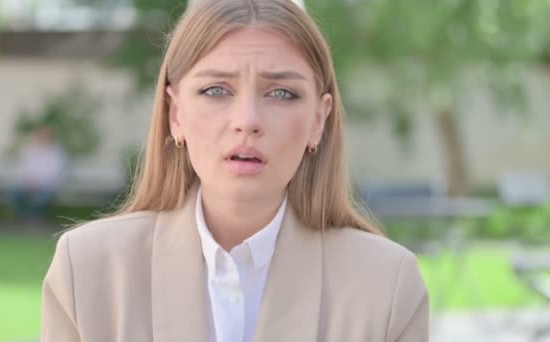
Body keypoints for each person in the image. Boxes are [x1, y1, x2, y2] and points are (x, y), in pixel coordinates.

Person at [41, 0, 429, 341]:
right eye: (216, 90)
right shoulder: (89, 270)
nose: (247, 121)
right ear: (175, 113)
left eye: (281, 93)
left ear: (318, 120)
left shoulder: (387, 285)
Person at [12, 125, 67, 223]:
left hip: (48, 186)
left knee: (42, 199)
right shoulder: (31, 151)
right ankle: (25, 218)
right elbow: (25, 169)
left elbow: (55, 173)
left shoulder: (57, 153)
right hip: (30, 185)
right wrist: (31, 181)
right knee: (16, 194)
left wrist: (40, 182)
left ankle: (36, 219)